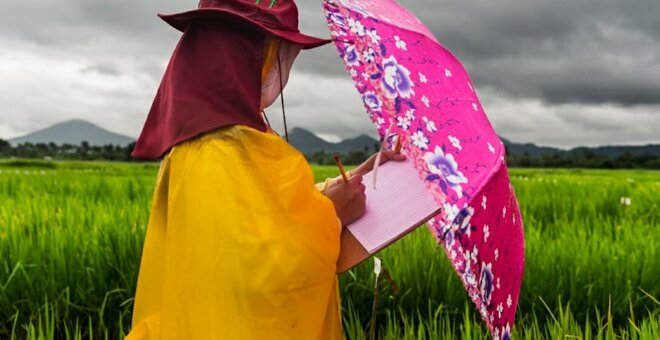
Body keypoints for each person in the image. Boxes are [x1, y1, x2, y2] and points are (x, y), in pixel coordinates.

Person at [127, 1, 403, 339]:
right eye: (279, 53)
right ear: (245, 55)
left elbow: (268, 215)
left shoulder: (228, 138)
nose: (283, 70)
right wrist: (332, 214)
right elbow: (264, 269)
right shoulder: (216, 151)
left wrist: (353, 179)